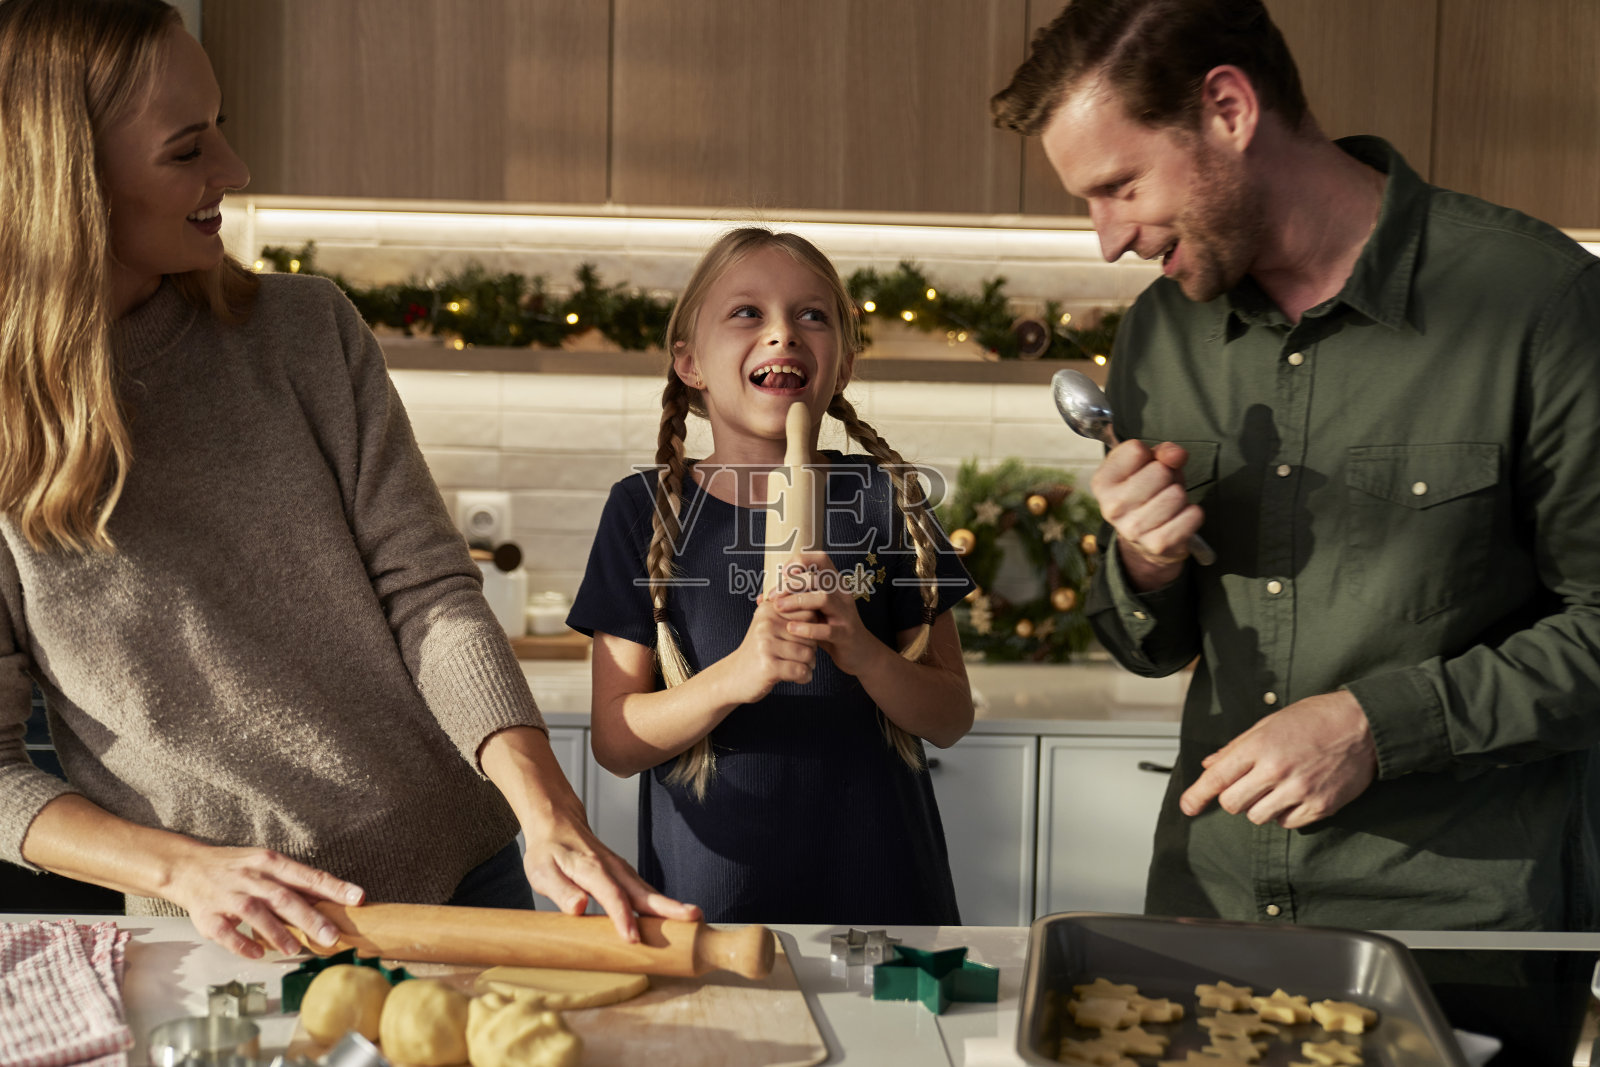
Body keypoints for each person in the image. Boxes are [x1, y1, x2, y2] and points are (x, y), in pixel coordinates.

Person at [0, 0, 697, 958]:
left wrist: (546, 807)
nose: (234, 173)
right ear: (69, 180)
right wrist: (184, 870)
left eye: (223, 129)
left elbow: (430, 593)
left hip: (469, 876)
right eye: (186, 148)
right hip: (229, 929)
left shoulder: (303, 331)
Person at [992, 0, 1600, 930]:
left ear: (1229, 110)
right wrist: (1144, 562)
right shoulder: (1163, 331)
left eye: (1119, 185)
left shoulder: (1537, 304)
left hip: (1456, 927)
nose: (1107, 238)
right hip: (1215, 904)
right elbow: (1149, 645)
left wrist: (1372, 726)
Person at [568, 228, 975, 924]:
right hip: (712, 905)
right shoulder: (643, 511)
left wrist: (864, 652)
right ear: (690, 363)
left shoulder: (887, 499)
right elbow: (615, 741)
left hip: (887, 902)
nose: (783, 334)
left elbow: (951, 716)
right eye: (747, 312)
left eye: (813, 315)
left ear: (841, 364)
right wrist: (740, 672)